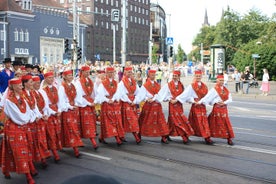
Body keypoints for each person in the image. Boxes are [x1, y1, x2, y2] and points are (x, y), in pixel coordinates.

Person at [0, 78, 37, 184]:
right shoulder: (9, 101)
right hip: (14, 128)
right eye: (19, 85)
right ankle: (28, 176)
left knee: (24, 149)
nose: (21, 86)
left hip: (23, 127)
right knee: (20, 151)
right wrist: (28, 118)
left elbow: (29, 111)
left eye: (21, 85)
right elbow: (19, 117)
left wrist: (30, 117)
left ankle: (6, 170)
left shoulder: (22, 98)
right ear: (13, 87)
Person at [176, 70, 213, 145]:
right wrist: (193, 101)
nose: (198, 77)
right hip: (195, 105)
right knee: (194, 121)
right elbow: (186, 95)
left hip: (202, 105)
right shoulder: (191, 86)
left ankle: (207, 137)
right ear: (194, 76)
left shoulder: (204, 86)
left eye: (199, 76)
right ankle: (187, 135)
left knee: (204, 121)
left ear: (201, 76)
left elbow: (207, 96)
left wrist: (206, 102)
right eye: (197, 76)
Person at [157, 70, 194, 144]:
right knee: (177, 121)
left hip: (179, 105)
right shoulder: (168, 85)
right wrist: (169, 99)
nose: (174, 77)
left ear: (179, 77)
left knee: (173, 121)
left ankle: (165, 136)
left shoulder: (181, 85)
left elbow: (185, 95)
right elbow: (163, 94)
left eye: (176, 76)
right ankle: (184, 137)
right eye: (173, 76)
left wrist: (191, 100)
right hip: (172, 105)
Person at [199, 75, 235, 145]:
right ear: (217, 81)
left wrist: (224, 102)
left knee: (226, 123)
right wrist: (200, 102)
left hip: (224, 109)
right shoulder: (214, 89)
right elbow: (207, 98)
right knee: (212, 122)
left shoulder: (226, 89)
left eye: (223, 80)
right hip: (216, 109)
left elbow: (230, 99)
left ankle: (229, 138)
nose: (222, 82)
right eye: (220, 80)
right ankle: (207, 138)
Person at [137, 69, 169, 144]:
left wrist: (154, 98)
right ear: (148, 75)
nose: (153, 76)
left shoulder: (157, 85)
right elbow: (141, 95)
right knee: (144, 120)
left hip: (157, 105)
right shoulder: (145, 85)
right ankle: (139, 134)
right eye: (152, 75)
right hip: (148, 105)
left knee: (160, 121)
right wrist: (146, 98)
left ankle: (164, 136)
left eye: (154, 75)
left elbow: (159, 94)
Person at [95, 66, 125, 145]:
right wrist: (108, 100)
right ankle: (117, 138)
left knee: (116, 120)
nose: (110, 74)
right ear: (106, 73)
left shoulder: (116, 83)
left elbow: (118, 92)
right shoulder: (103, 83)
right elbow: (100, 94)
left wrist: (114, 98)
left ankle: (102, 137)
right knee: (109, 121)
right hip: (107, 103)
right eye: (109, 73)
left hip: (114, 103)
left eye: (112, 72)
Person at [58, 70, 84, 157]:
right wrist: (69, 106)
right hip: (67, 110)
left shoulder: (73, 86)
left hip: (73, 110)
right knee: (71, 129)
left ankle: (62, 144)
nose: (70, 77)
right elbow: (61, 100)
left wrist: (76, 103)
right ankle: (76, 149)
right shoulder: (62, 87)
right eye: (68, 75)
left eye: (71, 75)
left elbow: (77, 96)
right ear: (64, 77)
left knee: (73, 128)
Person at [40, 71, 62, 163]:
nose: (51, 79)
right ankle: (54, 154)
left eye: (53, 77)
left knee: (57, 132)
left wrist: (59, 110)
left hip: (56, 112)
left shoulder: (55, 88)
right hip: (49, 114)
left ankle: (54, 150)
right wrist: (53, 112)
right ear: (45, 79)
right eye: (49, 78)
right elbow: (45, 104)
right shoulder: (43, 90)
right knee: (50, 134)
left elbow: (59, 101)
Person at [74, 66, 98, 150]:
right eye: (86, 72)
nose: (88, 73)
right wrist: (87, 102)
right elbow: (79, 95)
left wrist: (94, 101)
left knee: (90, 122)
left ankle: (89, 139)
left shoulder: (90, 81)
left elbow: (94, 93)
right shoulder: (78, 82)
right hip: (83, 105)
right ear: (82, 72)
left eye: (89, 72)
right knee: (84, 123)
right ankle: (92, 141)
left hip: (90, 103)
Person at [31, 76, 52, 168]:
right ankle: (40, 158)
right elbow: (33, 108)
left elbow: (46, 105)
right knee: (37, 140)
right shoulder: (30, 94)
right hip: (35, 119)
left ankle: (43, 157)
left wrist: (47, 114)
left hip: (43, 117)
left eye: (39, 82)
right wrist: (39, 115)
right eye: (36, 83)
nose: (38, 84)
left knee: (43, 138)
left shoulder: (42, 92)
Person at [118, 66, 141, 144]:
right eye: (128, 72)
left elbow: (138, 92)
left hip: (132, 102)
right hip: (126, 102)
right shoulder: (122, 83)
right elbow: (122, 94)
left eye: (131, 72)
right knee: (131, 119)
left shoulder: (134, 82)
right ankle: (136, 136)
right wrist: (128, 100)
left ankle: (122, 135)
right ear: (124, 73)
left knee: (132, 119)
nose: (130, 73)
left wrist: (135, 100)